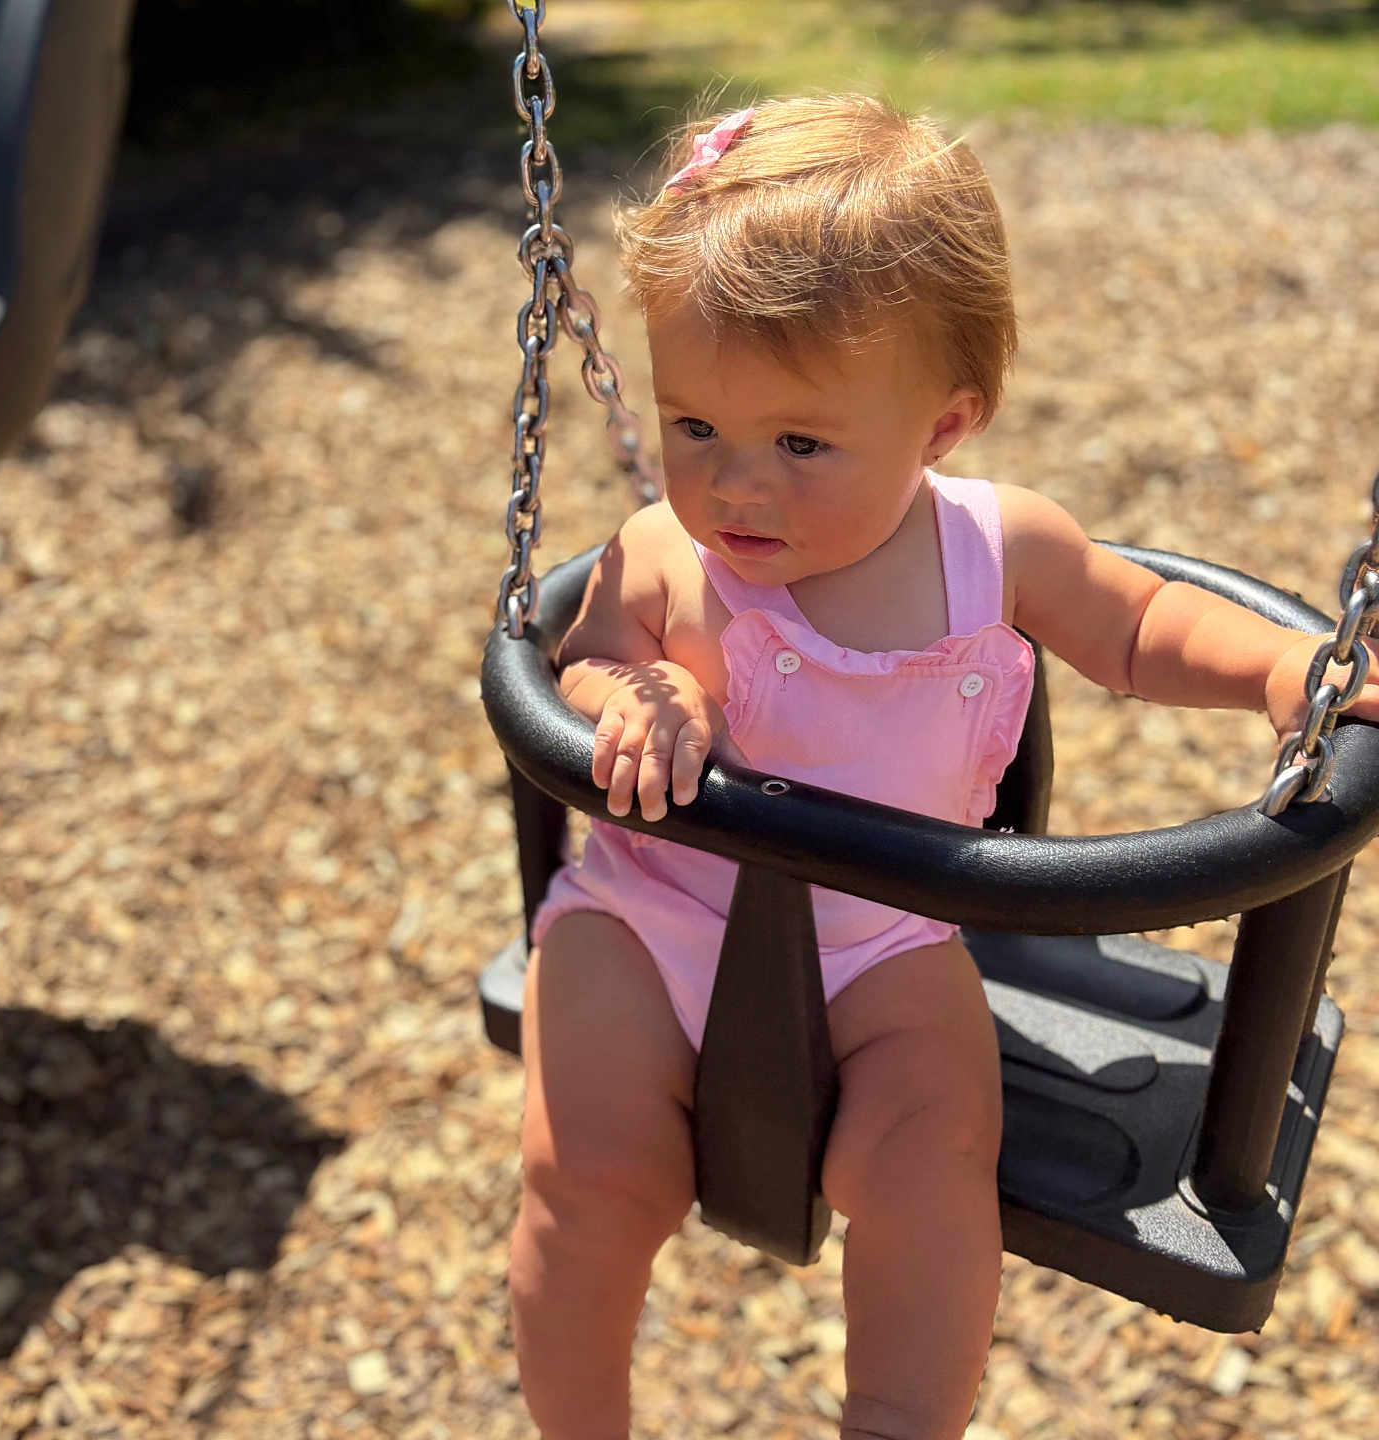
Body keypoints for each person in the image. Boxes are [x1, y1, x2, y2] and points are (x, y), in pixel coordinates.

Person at [506, 93, 1379, 1440]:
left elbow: (1140, 624)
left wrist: (1280, 671)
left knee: (931, 1159)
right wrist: (650, 690)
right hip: (649, 912)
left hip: (886, 942)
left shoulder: (997, 551)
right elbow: (598, 644)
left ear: (942, 427)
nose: (738, 487)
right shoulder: (668, 550)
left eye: (799, 443)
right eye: (695, 429)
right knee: (587, 1174)